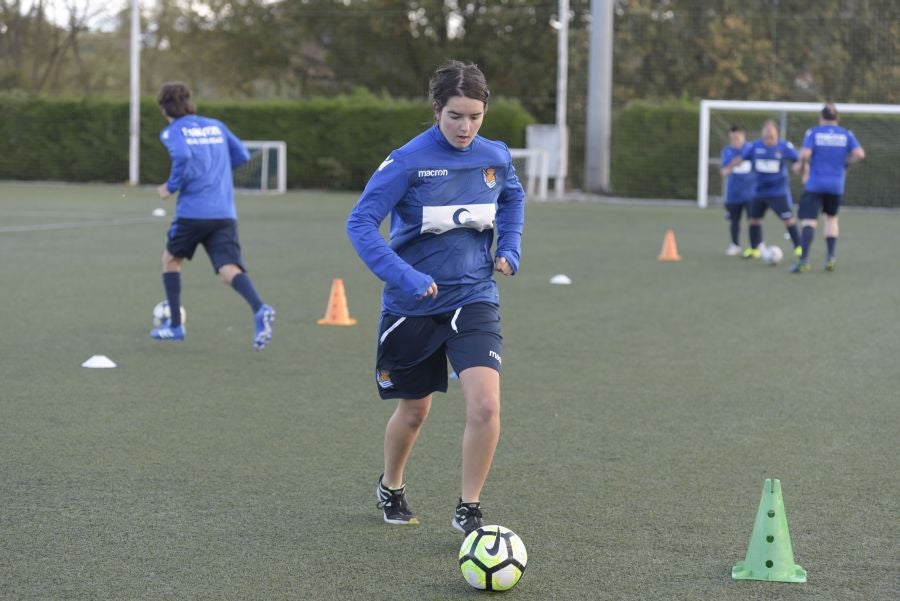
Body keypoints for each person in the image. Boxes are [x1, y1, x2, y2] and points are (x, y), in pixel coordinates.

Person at [346, 60, 525, 534]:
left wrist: (509, 246)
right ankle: (392, 484)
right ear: (436, 111)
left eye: (474, 116)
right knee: (414, 410)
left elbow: (512, 199)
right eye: (455, 116)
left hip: (475, 295)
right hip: (412, 305)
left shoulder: (495, 157)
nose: (466, 127)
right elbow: (360, 223)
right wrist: (403, 275)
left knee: (486, 405)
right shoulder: (406, 160)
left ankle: (469, 507)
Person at [151, 81, 275, 350]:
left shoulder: (172, 131)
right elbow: (242, 154)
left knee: (171, 260)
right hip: (224, 212)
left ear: (164, 107)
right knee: (227, 269)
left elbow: (182, 156)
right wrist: (214, 172)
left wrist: (170, 187)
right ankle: (259, 308)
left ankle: (175, 327)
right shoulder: (216, 125)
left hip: (193, 213)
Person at [789, 103, 865, 273]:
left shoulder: (814, 132)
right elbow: (860, 154)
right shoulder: (846, 134)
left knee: (809, 221)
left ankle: (804, 261)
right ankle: (830, 257)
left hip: (815, 184)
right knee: (831, 219)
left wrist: (801, 166)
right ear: (837, 118)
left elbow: (805, 154)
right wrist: (846, 163)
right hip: (836, 185)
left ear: (821, 117)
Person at [731, 119, 802, 259]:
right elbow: (741, 158)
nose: (768, 133)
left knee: (788, 219)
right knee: (754, 220)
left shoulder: (785, 147)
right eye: (766, 130)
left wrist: (801, 169)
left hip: (778, 192)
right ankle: (754, 249)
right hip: (759, 192)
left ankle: (799, 247)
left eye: (771, 130)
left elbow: (798, 160)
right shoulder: (755, 146)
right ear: (762, 132)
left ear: (777, 132)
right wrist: (728, 167)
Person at [719, 125, 755, 256]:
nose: (734, 141)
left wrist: (735, 163)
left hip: (751, 193)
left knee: (754, 220)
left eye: (736, 138)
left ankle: (756, 245)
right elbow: (724, 170)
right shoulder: (727, 151)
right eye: (731, 138)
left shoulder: (751, 149)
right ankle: (735, 245)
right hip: (734, 193)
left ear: (743, 136)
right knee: (734, 220)